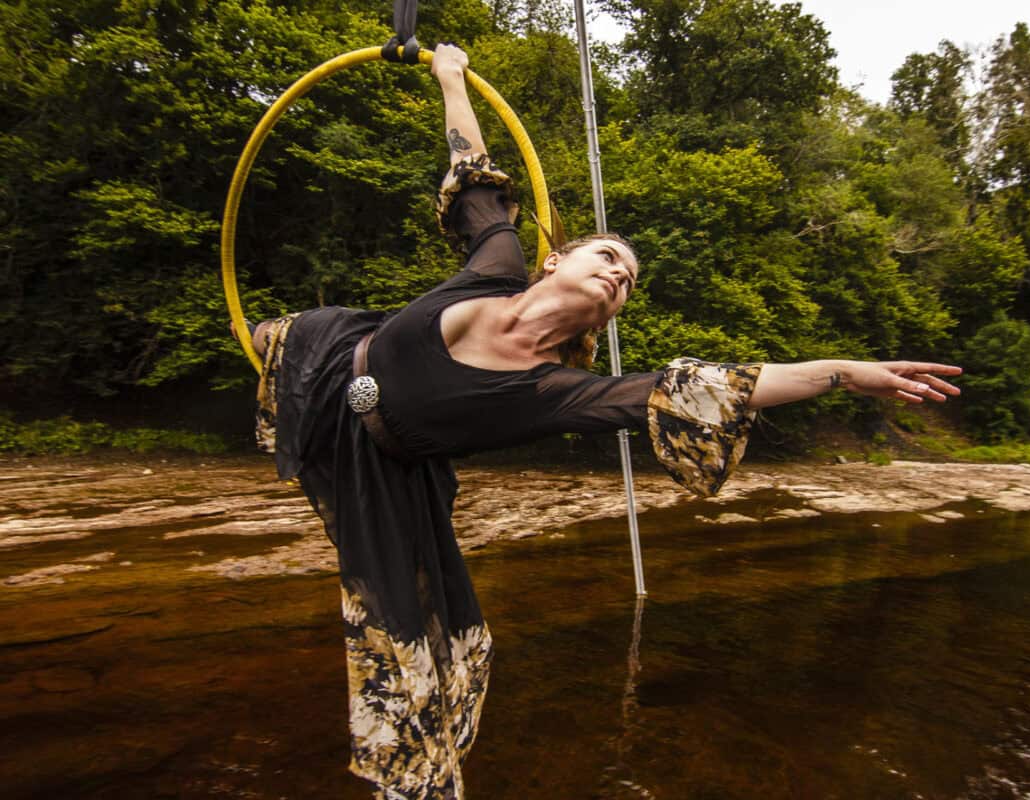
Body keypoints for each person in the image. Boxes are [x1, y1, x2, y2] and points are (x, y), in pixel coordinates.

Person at [247, 44, 962, 800]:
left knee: (409, 640)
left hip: (387, 468)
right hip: (333, 353)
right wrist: (450, 75)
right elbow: (471, 168)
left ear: (609, 315)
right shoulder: (496, 262)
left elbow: (713, 386)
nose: (620, 273)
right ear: (556, 260)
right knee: (267, 336)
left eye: (628, 281)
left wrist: (846, 371)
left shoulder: (557, 391)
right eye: (610, 256)